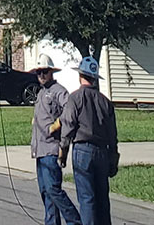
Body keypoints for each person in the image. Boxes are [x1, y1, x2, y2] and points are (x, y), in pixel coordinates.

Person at [59, 56, 119, 225]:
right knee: (102, 198)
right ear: (94, 78)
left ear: (80, 76)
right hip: (102, 151)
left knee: (87, 199)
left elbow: (68, 125)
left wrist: (63, 151)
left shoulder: (75, 98)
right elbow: (112, 134)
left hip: (82, 150)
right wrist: (113, 157)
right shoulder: (105, 102)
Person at [30, 55, 81, 225]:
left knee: (53, 190)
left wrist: (56, 125)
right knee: (45, 191)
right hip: (39, 149)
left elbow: (70, 111)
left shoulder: (59, 90)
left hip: (51, 149)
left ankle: (74, 221)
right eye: (39, 72)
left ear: (51, 72)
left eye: (44, 72)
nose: (41, 75)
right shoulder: (41, 92)